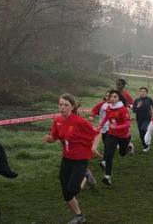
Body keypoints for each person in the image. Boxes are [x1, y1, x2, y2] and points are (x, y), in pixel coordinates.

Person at [43, 94, 102, 224]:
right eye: (60, 104)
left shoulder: (79, 121)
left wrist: (93, 149)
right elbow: (55, 137)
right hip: (66, 159)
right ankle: (79, 216)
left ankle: (86, 175)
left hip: (80, 160)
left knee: (73, 189)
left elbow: (97, 132)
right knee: (66, 193)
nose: (62, 107)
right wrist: (49, 139)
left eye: (66, 105)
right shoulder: (57, 120)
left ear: (72, 107)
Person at [99, 90, 132, 186]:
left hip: (123, 136)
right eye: (111, 97)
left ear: (119, 98)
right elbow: (106, 117)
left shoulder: (123, 109)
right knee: (109, 154)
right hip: (112, 134)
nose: (112, 99)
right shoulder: (109, 108)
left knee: (122, 153)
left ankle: (128, 148)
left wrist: (116, 127)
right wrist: (100, 125)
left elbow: (127, 124)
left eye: (114, 97)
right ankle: (107, 176)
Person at [88, 91, 110, 170]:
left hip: (112, 128)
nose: (108, 97)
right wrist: (92, 116)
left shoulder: (115, 105)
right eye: (106, 96)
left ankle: (105, 162)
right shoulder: (102, 104)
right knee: (106, 145)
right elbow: (94, 110)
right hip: (103, 128)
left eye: (109, 96)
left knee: (108, 144)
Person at [132, 87, 153, 152]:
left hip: (147, 118)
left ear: (147, 93)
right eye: (141, 91)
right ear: (139, 92)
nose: (142, 93)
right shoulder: (136, 100)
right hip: (139, 118)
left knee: (143, 129)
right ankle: (144, 144)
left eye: (144, 91)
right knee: (141, 132)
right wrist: (137, 107)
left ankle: (147, 141)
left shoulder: (149, 100)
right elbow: (134, 110)